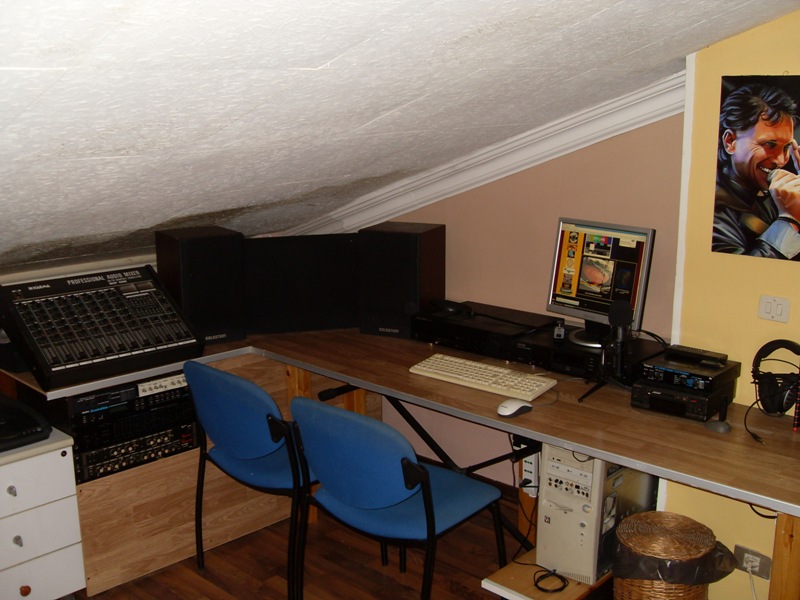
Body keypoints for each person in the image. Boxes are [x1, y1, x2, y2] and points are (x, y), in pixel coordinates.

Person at [713, 83, 800, 259]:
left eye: (786, 148)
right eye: (769, 144)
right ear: (730, 141)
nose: (781, 160)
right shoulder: (712, 210)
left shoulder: (776, 195)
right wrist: (789, 220)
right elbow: (737, 274)